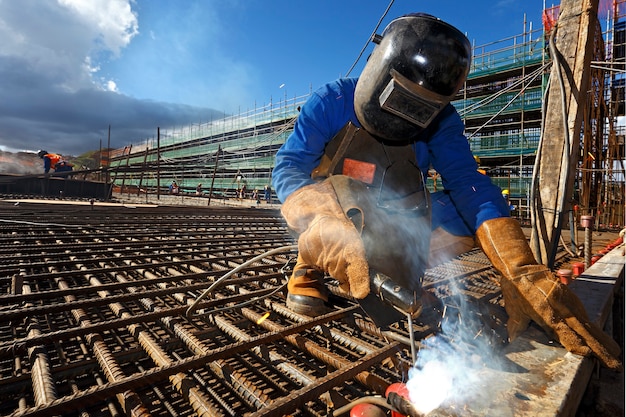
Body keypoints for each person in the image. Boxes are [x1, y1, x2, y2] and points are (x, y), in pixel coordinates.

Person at [271, 13, 621, 370]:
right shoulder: (331, 101)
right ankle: (307, 269)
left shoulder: (442, 119)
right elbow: (288, 169)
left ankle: (400, 272)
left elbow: (468, 183)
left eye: (420, 109)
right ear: (379, 73)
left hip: (398, 218)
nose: (406, 118)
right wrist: (321, 223)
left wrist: (518, 268)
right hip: (340, 215)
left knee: (472, 215)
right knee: (332, 191)